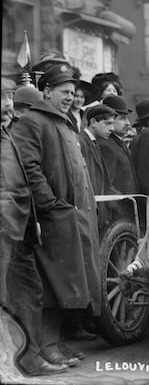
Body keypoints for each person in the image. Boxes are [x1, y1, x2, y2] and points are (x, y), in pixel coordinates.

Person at [11, 64, 100, 366]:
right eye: (64, 92)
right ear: (46, 91)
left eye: (73, 93)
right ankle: (45, 345)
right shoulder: (32, 122)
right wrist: (49, 204)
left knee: (68, 282)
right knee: (51, 284)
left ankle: (55, 342)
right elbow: (29, 167)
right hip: (50, 219)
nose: (70, 97)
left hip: (72, 218)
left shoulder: (64, 123)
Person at [1, 78, 65, 377]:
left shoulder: (8, 133)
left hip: (20, 230)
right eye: (2, 98)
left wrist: (31, 220)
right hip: (4, 232)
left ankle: (29, 357)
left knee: (29, 292)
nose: (6, 105)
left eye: (9, 97)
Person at [99, 96, 137, 194]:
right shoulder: (105, 146)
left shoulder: (119, 143)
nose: (128, 123)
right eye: (122, 118)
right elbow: (107, 187)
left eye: (127, 118)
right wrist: (120, 208)